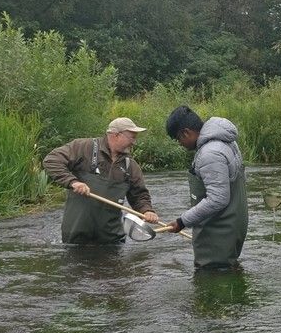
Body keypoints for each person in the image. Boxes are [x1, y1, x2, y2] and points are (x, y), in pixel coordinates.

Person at [42, 117, 159, 244]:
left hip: (111, 240)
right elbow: (51, 160)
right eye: (132, 137)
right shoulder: (83, 147)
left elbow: (139, 195)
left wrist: (147, 210)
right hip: (76, 235)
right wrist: (73, 182)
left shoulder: (131, 166)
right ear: (116, 135)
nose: (134, 142)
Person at [164, 105, 248, 269]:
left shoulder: (210, 154)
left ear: (186, 132)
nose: (180, 144)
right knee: (228, 272)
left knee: (213, 277)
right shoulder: (227, 142)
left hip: (218, 231)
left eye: (178, 139)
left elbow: (217, 199)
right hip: (232, 225)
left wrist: (182, 221)